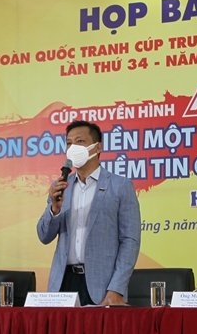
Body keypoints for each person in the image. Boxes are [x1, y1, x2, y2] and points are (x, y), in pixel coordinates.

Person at [36, 120, 141, 306]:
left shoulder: (120, 186)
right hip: (63, 283)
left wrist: (116, 288)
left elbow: (130, 241)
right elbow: (44, 236)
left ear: (98, 147)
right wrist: (54, 210)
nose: (73, 148)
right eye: (69, 143)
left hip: (103, 286)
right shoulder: (61, 186)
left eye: (80, 141)